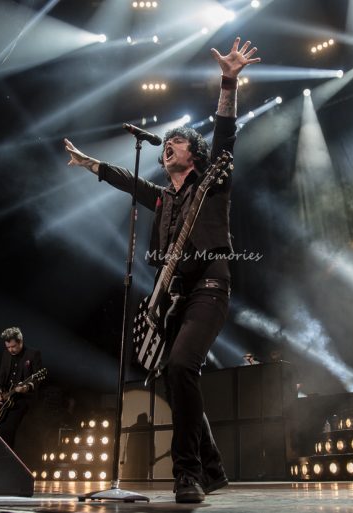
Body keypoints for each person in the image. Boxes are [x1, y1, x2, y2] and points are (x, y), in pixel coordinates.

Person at [64, 37, 260, 503]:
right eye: (167, 143)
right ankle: (212, 467)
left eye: (178, 142)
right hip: (169, 296)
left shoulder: (213, 184)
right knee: (178, 376)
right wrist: (89, 163)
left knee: (179, 366)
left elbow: (226, 131)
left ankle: (186, 472)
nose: (169, 145)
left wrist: (228, 80)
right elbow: (127, 182)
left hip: (210, 284)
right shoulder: (164, 196)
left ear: (194, 153)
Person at [0, 326, 43, 448]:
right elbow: (1, 374)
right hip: (6, 398)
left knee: (8, 431)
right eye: (8, 347)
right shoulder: (6, 354)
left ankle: (7, 460)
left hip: (23, 400)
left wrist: (27, 387)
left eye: (13, 346)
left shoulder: (33, 354)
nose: (10, 350)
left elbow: (38, 379)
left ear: (20, 341)